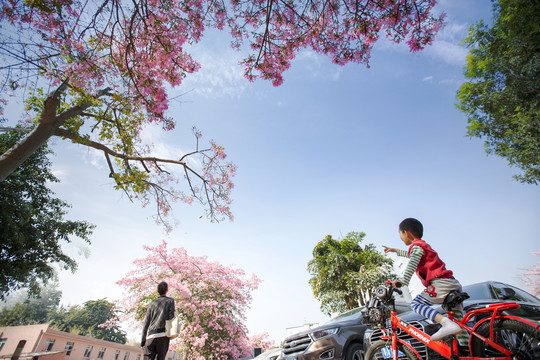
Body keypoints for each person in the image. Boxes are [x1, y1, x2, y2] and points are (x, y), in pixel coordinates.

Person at [383, 218, 463, 341]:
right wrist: (395, 251)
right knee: (458, 325)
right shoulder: (422, 246)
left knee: (416, 304)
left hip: (440, 284)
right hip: (451, 282)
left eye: (400, 234)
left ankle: (445, 323)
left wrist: (402, 281)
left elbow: (412, 263)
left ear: (406, 233)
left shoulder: (416, 247)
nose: (400, 237)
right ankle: (468, 348)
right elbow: (412, 255)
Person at [141, 281, 175, 360]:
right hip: (163, 336)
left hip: (150, 337)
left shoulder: (152, 303)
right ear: (167, 290)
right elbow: (171, 318)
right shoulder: (170, 301)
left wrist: (143, 341)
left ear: (157, 291)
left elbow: (146, 323)